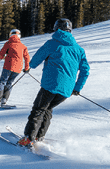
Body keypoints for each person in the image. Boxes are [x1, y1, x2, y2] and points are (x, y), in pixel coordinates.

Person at [18, 18, 89, 147]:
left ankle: (28, 138)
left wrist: (30, 66)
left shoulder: (52, 44)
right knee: (48, 109)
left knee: (38, 109)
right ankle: (39, 136)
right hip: (66, 90)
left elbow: (35, 61)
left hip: (50, 85)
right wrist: (77, 88)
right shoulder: (79, 50)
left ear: (56, 29)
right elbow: (85, 70)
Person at [0, 29, 30, 107]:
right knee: (9, 83)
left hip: (8, 66)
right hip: (18, 69)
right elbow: (27, 58)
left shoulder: (8, 44)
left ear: (10, 35)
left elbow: (1, 55)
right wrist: (26, 68)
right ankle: (4, 100)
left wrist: (3, 57)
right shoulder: (23, 46)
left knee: (2, 82)